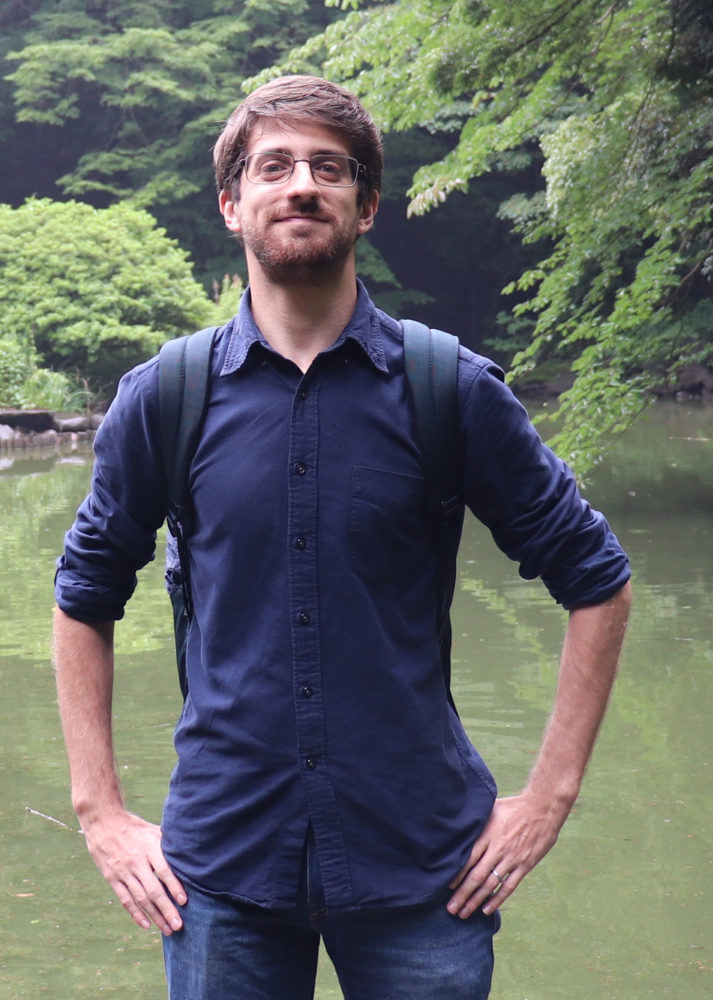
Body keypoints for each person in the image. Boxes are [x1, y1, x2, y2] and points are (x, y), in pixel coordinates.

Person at [50, 75, 634, 1000]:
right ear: (231, 204)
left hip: (423, 871)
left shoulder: (450, 389)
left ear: (366, 207)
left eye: (330, 167)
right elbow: (83, 597)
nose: (301, 184)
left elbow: (598, 579)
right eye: (273, 166)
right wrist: (101, 813)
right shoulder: (167, 398)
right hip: (221, 874)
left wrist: (549, 799)